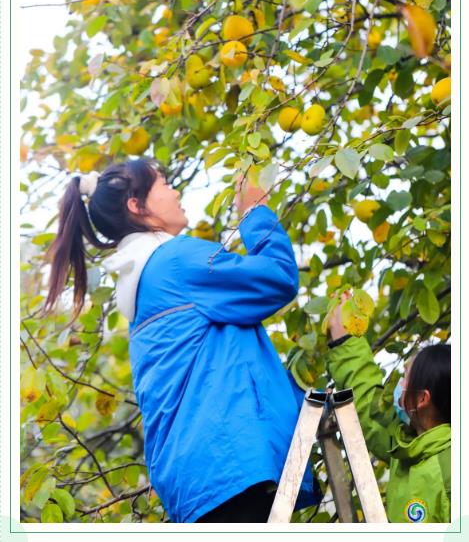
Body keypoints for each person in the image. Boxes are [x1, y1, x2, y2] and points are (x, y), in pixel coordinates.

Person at [43, 158, 322, 523]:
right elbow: (277, 278)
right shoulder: (174, 262)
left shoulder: (144, 283)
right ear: (137, 206)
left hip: (199, 480)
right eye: (163, 183)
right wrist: (255, 211)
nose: (174, 191)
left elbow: (219, 362)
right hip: (227, 465)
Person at [324, 292, 451, 523]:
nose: (399, 385)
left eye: (405, 378)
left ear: (422, 399)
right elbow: (368, 406)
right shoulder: (407, 444)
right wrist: (345, 340)